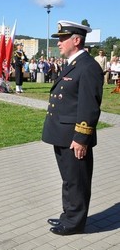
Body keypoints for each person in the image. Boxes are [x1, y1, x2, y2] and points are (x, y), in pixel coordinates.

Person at [42, 20, 103, 235]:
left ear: (76, 40)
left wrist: (81, 138)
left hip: (73, 137)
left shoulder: (88, 67)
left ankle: (75, 223)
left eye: (62, 39)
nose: (58, 43)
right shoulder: (74, 64)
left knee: (77, 180)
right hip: (62, 134)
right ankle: (68, 215)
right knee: (69, 179)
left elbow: (89, 107)